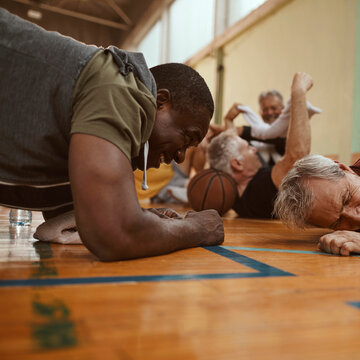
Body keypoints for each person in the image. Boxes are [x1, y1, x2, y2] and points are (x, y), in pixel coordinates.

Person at [0, 9, 223, 260]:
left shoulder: (93, 116)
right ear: (160, 101)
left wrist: (144, 219)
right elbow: (114, 234)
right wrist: (196, 228)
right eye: (187, 137)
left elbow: (71, 222)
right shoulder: (122, 87)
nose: (181, 157)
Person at [207, 72, 314, 218]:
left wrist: (228, 121)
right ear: (237, 164)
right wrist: (298, 92)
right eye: (248, 148)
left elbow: (232, 140)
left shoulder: (236, 191)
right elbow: (297, 157)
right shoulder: (259, 187)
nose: (253, 149)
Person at [220, 89, 320, 166]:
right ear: (260, 112)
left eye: (273, 108)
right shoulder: (252, 139)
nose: (270, 112)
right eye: (265, 109)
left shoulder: (291, 133)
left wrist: (233, 125)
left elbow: (273, 136)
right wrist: (227, 121)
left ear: (283, 109)